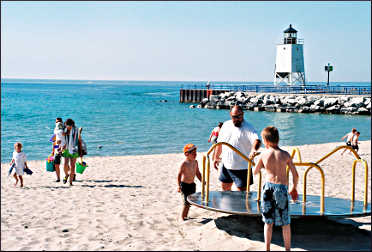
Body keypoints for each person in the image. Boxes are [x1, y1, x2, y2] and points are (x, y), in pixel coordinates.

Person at [253, 126, 299, 251]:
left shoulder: (264, 154)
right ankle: (287, 249)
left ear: (266, 141)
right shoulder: (285, 155)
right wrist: (294, 188)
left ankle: (267, 248)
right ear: (278, 139)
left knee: (268, 221)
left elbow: (255, 171)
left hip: (268, 188)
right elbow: (296, 175)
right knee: (285, 222)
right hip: (281, 189)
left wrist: (261, 163)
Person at [213, 105, 261, 191]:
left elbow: (256, 140)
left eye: (240, 116)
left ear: (243, 114)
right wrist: (216, 157)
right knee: (225, 189)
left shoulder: (248, 127)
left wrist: (254, 150)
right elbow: (220, 143)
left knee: (242, 193)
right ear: (230, 115)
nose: (237, 118)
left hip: (242, 167)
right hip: (226, 165)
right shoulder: (226, 125)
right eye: (234, 117)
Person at [177, 144, 202, 221]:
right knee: (186, 203)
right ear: (186, 154)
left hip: (192, 185)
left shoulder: (195, 162)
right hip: (184, 185)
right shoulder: (184, 163)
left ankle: (186, 216)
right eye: (193, 153)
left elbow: (197, 172)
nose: (195, 155)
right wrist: (179, 186)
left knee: (190, 202)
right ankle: (183, 218)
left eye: (196, 153)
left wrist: (202, 180)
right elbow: (179, 174)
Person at [62, 118, 82, 186]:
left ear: (71, 125)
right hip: (66, 148)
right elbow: (58, 137)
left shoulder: (75, 130)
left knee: (73, 166)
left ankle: (70, 182)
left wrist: (81, 150)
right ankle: (66, 175)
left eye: (68, 126)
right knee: (65, 164)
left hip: (74, 149)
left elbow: (79, 139)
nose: (68, 127)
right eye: (66, 125)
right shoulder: (64, 129)